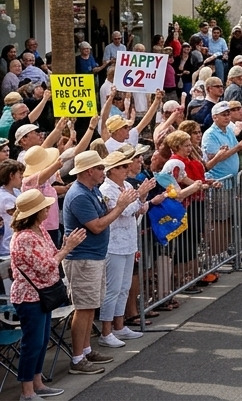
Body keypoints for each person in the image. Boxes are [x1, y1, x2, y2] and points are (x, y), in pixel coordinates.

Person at [63, 149, 140, 374]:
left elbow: (103, 214)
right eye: (99, 168)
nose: (102, 171)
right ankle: (78, 358)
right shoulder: (79, 195)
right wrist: (121, 206)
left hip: (95, 256)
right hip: (83, 259)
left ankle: (86, 350)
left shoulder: (91, 190)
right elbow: (96, 225)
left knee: (90, 307)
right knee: (84, 307)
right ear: (89, 171)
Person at [10, 189, 87, 395]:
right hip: (29, 297)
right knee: (32, 343)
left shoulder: (40, 230)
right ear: (35, 212)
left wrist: (65, 247)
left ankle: (38, 384)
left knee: (42, 341)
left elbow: (52, 254)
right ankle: (27, 392)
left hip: (42, 294)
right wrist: (67, 248)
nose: (48, 208)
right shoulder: (24, 237)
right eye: (44, 206)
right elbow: (46, 266)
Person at [96, 149, 156, 348]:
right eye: (121, 167)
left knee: (124, 287)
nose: (125, 169)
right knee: (112, 289)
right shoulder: (106, 190)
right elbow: (123, 211)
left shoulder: (128, 185)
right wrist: (138, 198)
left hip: (129, 241)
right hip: (113, 244)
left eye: (125, 165)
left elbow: (136, 208)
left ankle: (120, 325)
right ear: (111, 170)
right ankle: (106, 330)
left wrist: (141, 197)